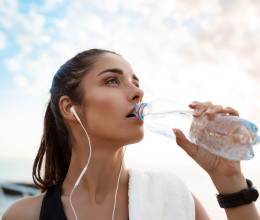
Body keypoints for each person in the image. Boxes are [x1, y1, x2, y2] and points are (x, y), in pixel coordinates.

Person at [2, 49, 259, 220]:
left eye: (135, 83)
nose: (138, 93)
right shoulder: (24, 215)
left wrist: (229, 179)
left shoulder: (172, 196)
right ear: (71, 108)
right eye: (112, 80)